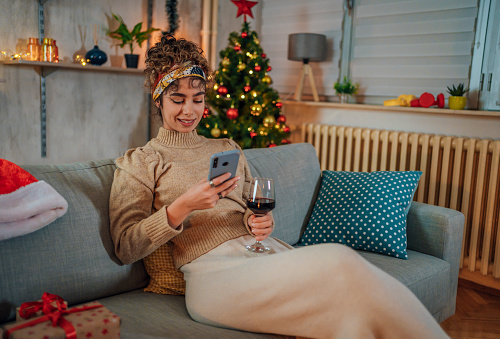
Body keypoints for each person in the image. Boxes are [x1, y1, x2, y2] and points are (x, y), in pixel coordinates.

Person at [109, 35, 449, 339]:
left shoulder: (225, 148)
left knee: (357, 307)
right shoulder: (141, 160)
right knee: (341, 259)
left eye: (197, 99)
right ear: (158, 98)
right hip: (212, 277)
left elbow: (250, 208)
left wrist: (258, 223)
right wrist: (182, 206)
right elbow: (126, 246)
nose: (189, 110)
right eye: (177, 99)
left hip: (263, 254)